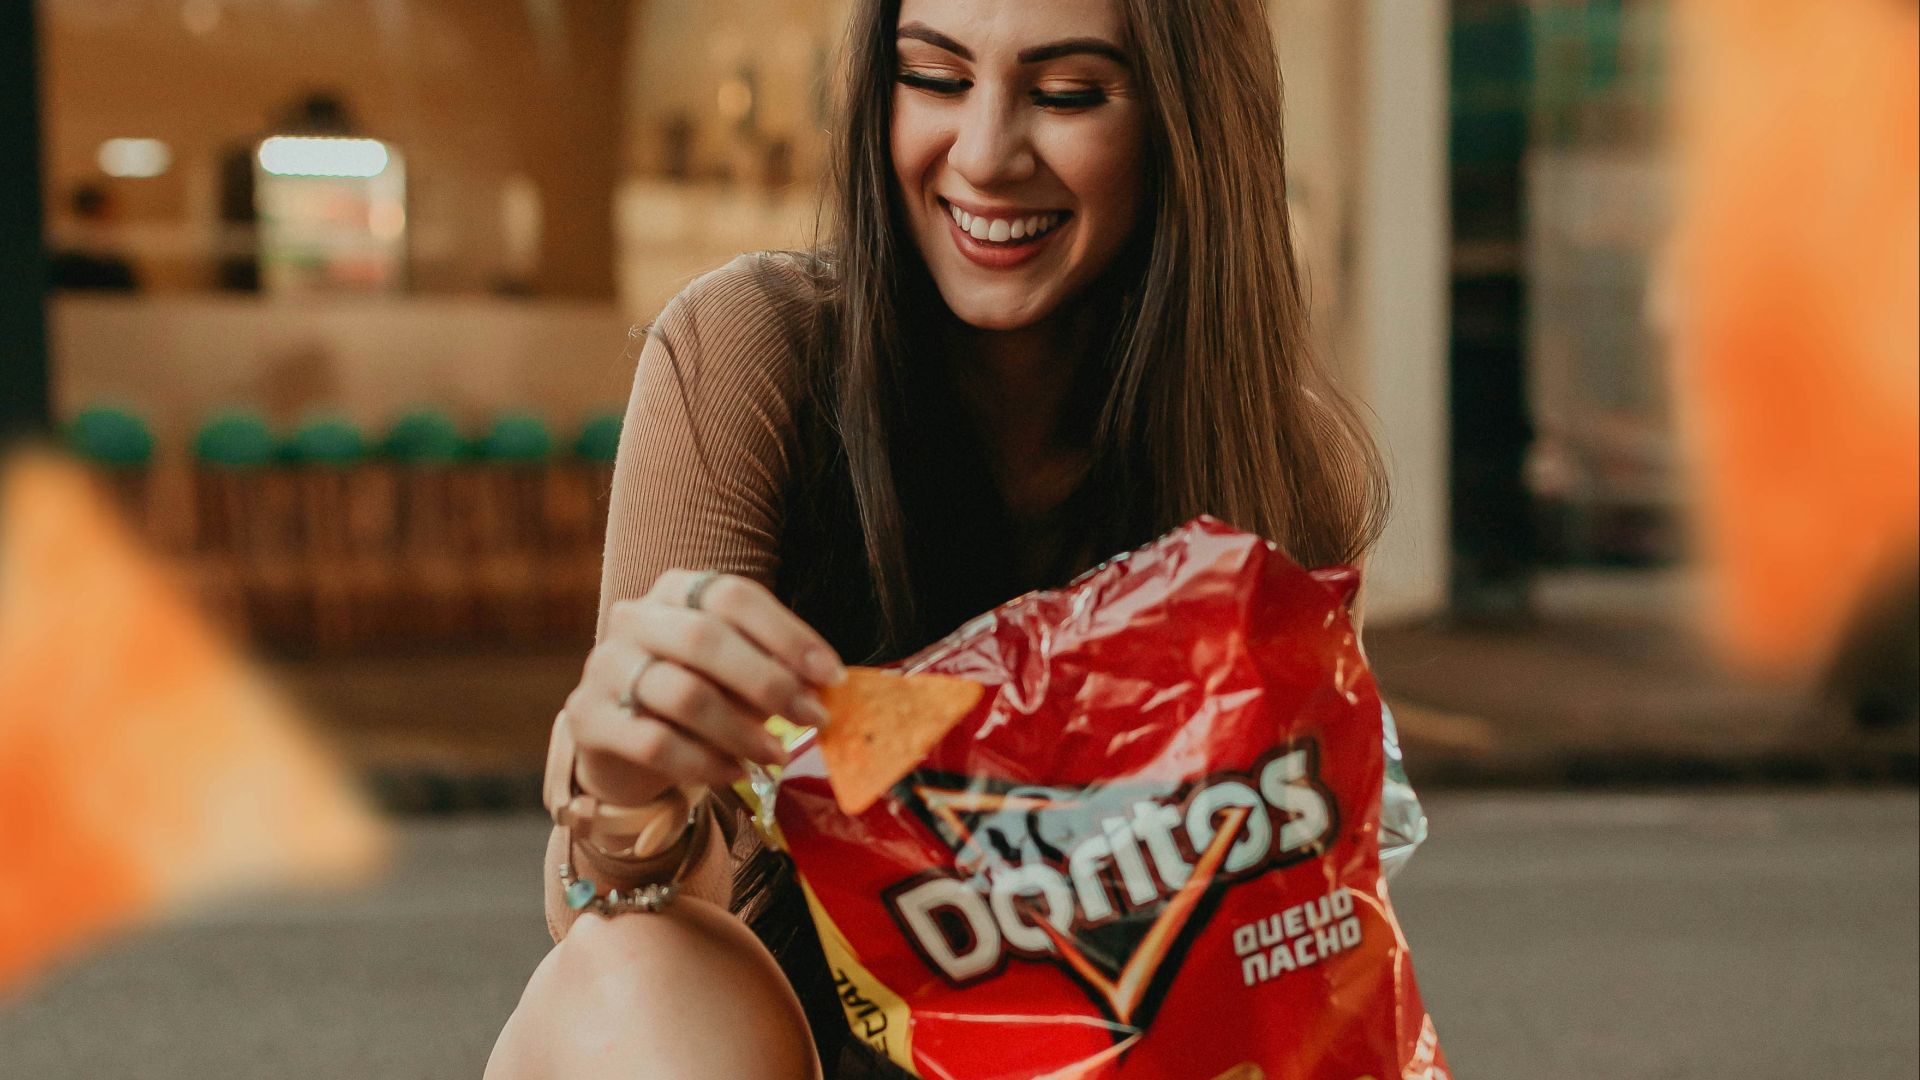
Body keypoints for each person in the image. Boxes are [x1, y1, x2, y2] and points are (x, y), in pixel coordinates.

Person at [486, 0, 1389, 1076]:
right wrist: (627, 784)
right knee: (645, 970)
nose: (984, 154)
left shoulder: (1274, 459)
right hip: (767, 1048)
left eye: (1065, 94)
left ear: (1187, 127)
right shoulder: (753, 353)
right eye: (936, 78)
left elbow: (1278, 962)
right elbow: (625, 939)